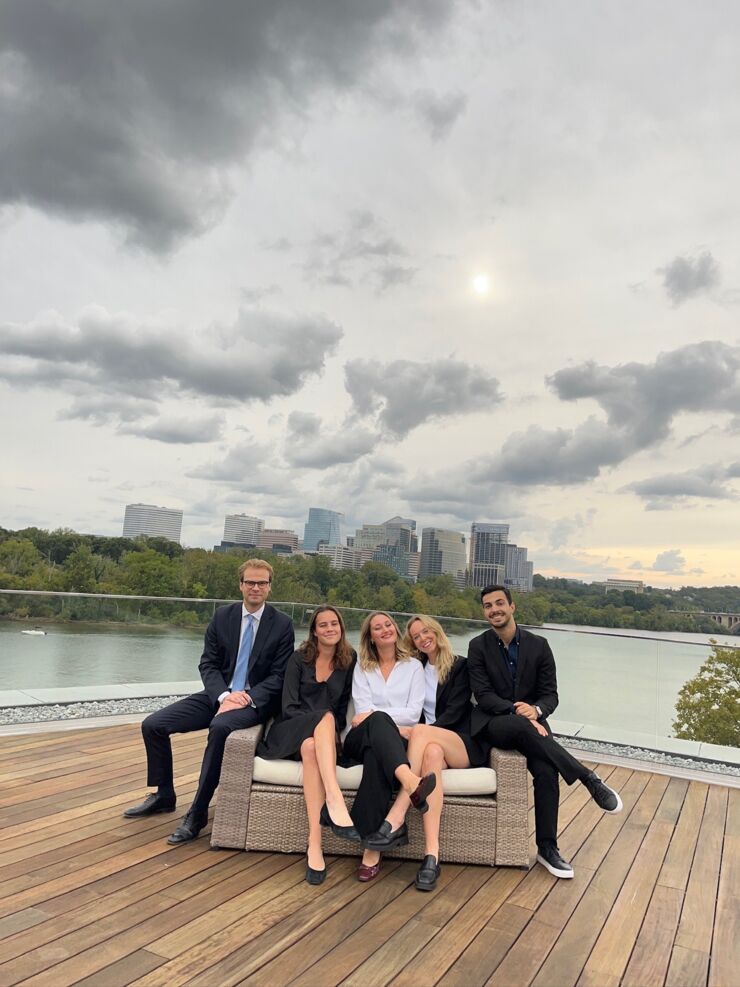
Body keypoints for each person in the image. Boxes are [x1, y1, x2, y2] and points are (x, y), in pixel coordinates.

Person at [123, 558, 294, 844]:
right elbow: (208, 664)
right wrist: (224, 695)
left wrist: (245, 697)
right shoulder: (222, 617)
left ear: (269, 587)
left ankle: (198, 812)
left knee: (220, 728)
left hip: (254, 702)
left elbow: (279, 676)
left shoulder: (282, 624)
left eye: (261, 583)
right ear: (240, 585)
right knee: (153, 724)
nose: (255, 587)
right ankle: (164, 794)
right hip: (218, 694)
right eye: (250, 582)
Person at [467, 584, 622, 879]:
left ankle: (547, 849)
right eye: (488, 606)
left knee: (547, 771)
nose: (494, 609)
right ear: (484, 612)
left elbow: (550, 695)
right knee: (519, 726)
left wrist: (537, 711)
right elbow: (484, 695)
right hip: (495, 722)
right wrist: (520, 711)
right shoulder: (478, 646)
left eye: (499, 603)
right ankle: (588, 778)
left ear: (512, 607)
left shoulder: (539, 646)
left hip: (533, 721)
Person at [362, 614, 487, 891]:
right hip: (433, 747)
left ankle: (397, 816)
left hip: (462, 743)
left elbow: (454, 713)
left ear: (437, 631)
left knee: (421, 733)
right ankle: (432, 855)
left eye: (426, 631)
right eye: (416, 636)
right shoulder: (415, 667)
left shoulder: (460, 666)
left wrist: (419, 733)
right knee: (430, 752)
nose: (423, 638)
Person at [256, 605, 360, 884]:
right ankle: (334, 799)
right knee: (323, 720)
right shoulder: (298, 659)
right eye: (323, 625)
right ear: (314, 631)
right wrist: (321, 721)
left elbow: (342, 711)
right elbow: (288, 707)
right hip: (289, 730)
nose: (329, 629)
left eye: (334, 624)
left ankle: (315, 844)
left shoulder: (350, 660)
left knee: (312, 746)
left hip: (322, 742)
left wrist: (329, 729)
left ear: (341, 627)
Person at [342, 611, 435, 882]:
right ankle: (408, 779)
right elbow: (360, 713)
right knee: (376, 727)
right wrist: (379, 718)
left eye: (388, 625)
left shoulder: (413, 667)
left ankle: (371, 848)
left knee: (376, 755)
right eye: (377, 628)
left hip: (386, 744)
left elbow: (414, 711)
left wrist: (377, 716)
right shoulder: (363, 666)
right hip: (357, 740)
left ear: (395, 629)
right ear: (370, 637)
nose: (385, 630)